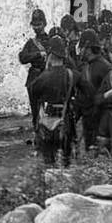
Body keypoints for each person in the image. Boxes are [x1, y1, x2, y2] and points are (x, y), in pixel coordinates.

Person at [30, 35, 75, 166]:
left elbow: (34, 92)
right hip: (66, 120)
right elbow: (86, 91)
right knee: (66, 161)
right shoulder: (72, 75)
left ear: (50, 55)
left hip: (47, 121)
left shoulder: (44, 77)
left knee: (48, 162)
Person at [74, 29, 111, 155]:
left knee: (101, 156)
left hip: (100, 120)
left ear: (88, 48)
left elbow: (111, 95)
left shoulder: (105, 67)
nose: (81, 50)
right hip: (87, 118)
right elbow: (80, 94)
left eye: (83, 47)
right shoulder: (83, 66)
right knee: (90, 152)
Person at [18, 9, 49, 136]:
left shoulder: (51, 40)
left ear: (44, 24)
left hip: (47, 76)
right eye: (34, 25)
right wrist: (37, 54)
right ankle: (38, 132)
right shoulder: (31, 43)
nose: (36, 27)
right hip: (34, 77)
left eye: (39, 24)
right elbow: (22, 58)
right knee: (36, 109)